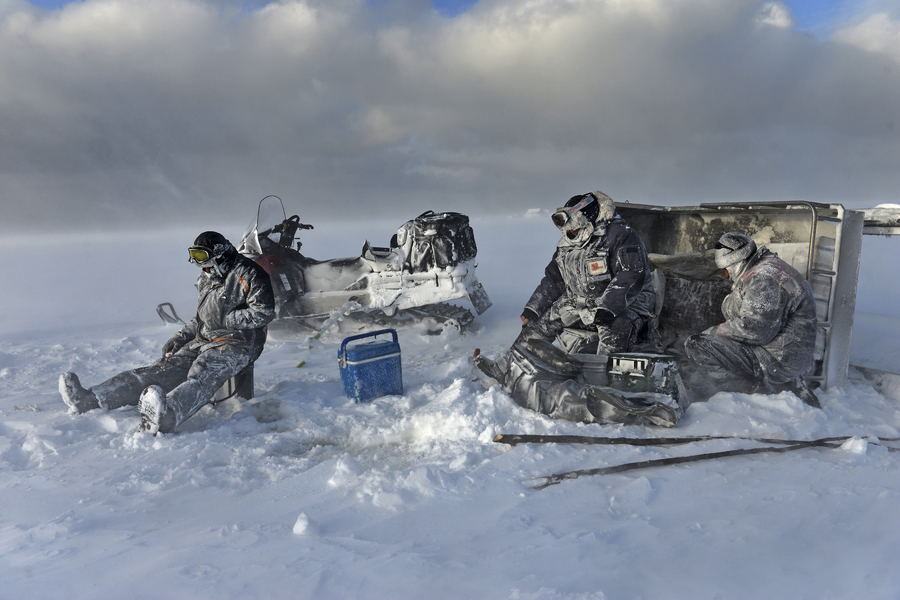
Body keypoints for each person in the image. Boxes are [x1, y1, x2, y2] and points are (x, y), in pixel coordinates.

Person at [58, 231, 276, 434]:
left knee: (202, 374)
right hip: (204, 339)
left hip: (237, 343)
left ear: (219, 254)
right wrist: (180, 337)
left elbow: (264, 313)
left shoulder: (249, 274)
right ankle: (92, 398)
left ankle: (167, 415)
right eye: (194, 255)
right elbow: (202, 318)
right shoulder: (206, 277)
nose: (199, 264)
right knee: (156, 371)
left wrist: (229, 319)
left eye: (202, 256)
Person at [476, 190, 657, 381]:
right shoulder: (567, 244)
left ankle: (605, 384)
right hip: (580, 303)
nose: (569, 231)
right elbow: (555, 279)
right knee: (539, 326)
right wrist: (533, 309)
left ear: (585, 217)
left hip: (624, 305)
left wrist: (608, 308)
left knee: (615, 328)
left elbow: (630, 274)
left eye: (572, 225)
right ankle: (505, 369)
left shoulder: (619, 235)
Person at [682, 231, 820, 407]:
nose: (727, 275)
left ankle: (755, 388)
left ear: (736, 262)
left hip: (776, 359)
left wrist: (715, 332)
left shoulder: (764, 278)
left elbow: (755, 329)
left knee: (696, 345)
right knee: (699, 381)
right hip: (782, 354)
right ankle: (777, 384)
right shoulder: (767, 269)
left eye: (726, 270)